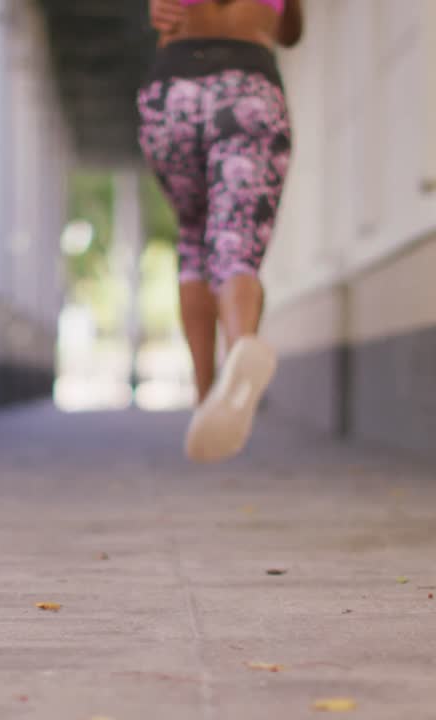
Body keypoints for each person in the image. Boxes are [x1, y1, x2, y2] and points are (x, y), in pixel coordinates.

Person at [138, 0, 303, 462]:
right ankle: (240, 347)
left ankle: (206, 394)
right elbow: (289, 32)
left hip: (170, 95)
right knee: (235, 247)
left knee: (193, 236)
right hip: (246, 85)